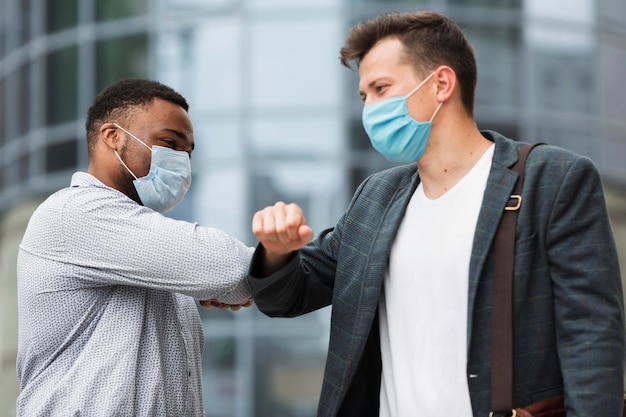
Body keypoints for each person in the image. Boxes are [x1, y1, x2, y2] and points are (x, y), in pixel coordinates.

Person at [247, 11, 625, 417]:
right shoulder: (377, 197)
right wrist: (276, 250)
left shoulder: (551, 178)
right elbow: (289, 295)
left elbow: (592, 339)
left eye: (381, 88)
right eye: (364, 96)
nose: (369, 109)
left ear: (442, 83)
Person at [16, 78, 253, 416]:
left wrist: (226, 281)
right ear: (112, 137)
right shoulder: (73, 214)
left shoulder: (147, 244)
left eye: (187, 153)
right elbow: (230, 268)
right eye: (169, 143)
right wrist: (237, 274)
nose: (181, 163)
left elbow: (230, 279)